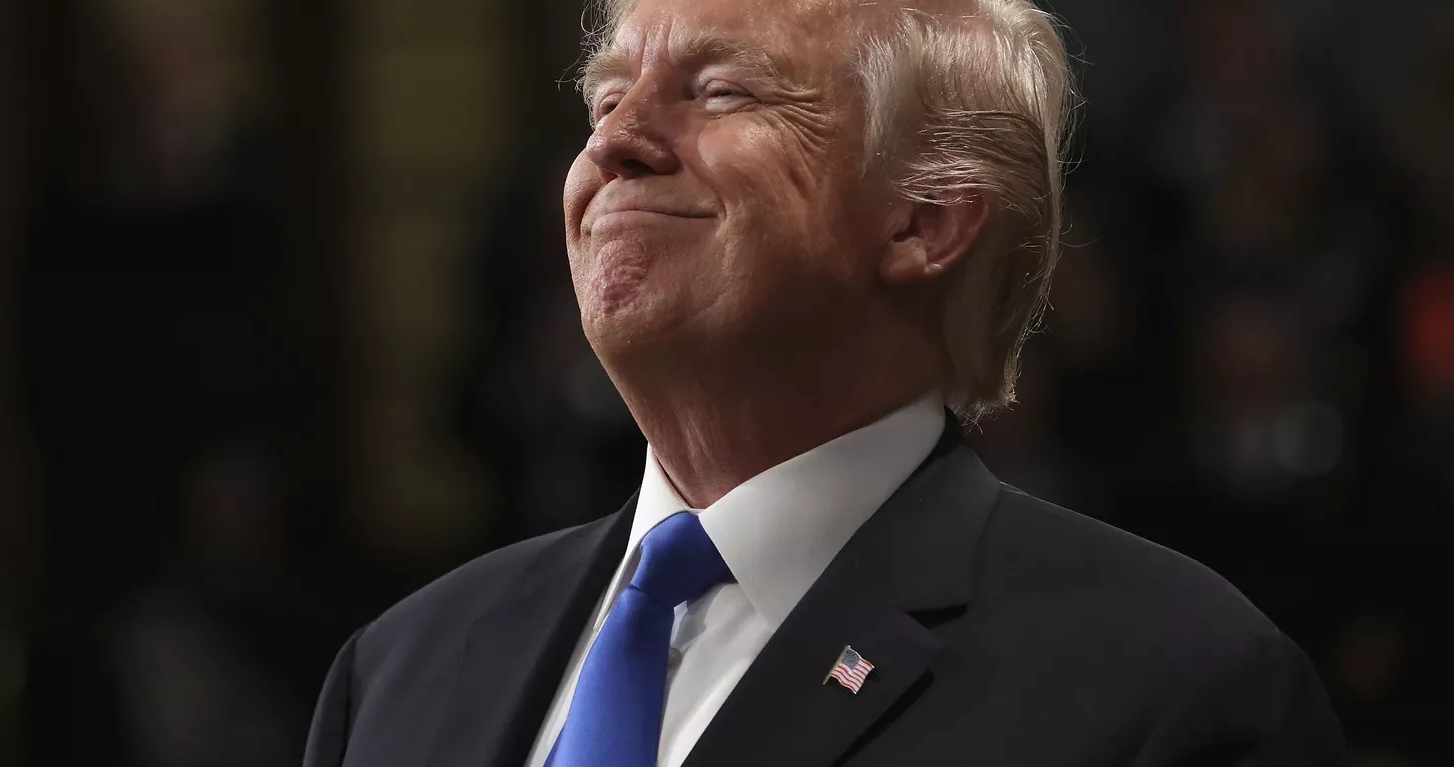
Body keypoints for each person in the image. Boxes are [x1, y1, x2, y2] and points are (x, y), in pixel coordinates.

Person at [305, 0, 1344, 764]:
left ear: (925, 218)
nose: (613, 142)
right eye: (609, 95)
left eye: (719, 91)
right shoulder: (400, 667)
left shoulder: (1171, 687)